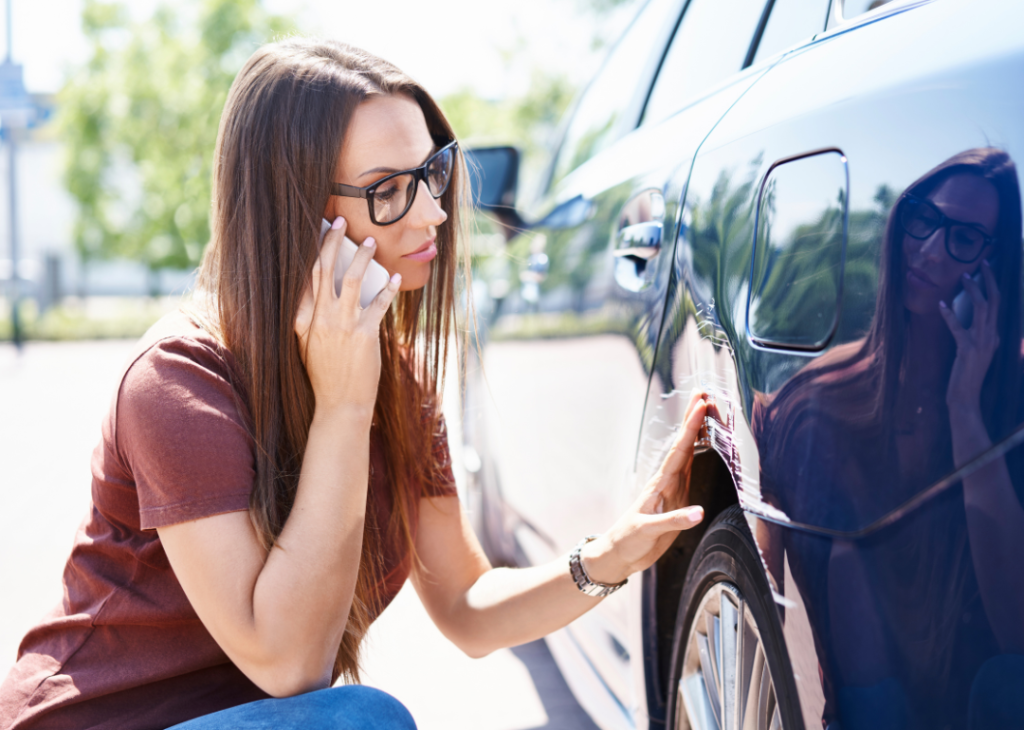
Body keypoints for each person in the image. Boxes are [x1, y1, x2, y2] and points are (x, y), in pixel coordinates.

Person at [0, 38, 708, 730]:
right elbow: (290, 665)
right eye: (390, 190)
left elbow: (467, 605)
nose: (433, 210)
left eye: (432, 173)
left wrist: (610, 557)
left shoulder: (393, 379)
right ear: (295, 212)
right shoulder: (178, 383)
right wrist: (341, 406)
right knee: (361, 718)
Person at [753, 148, 1024, 729]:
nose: (929, 250)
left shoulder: (1012, 402)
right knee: (852, 558)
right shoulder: (817, 401)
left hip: (982, 689)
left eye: (965, 239)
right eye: (924, 219)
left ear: (994, 269)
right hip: (859, 698)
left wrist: (964, 409)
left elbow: (1015, 631)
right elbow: (763, 599)